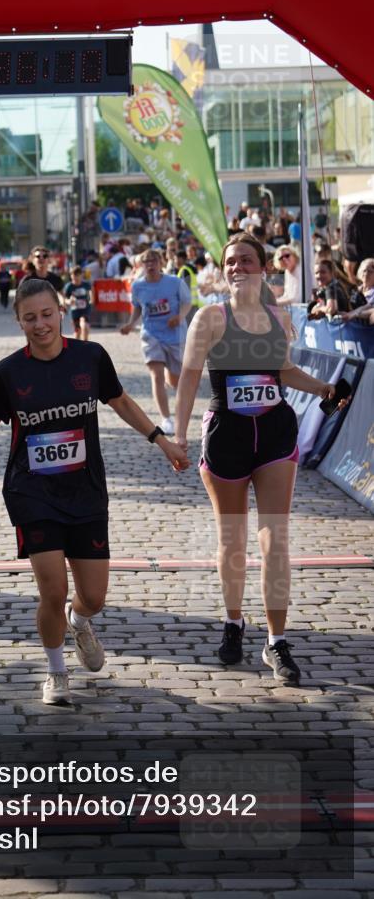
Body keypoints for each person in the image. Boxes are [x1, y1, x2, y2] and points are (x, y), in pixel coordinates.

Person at [0, 278, 188, 705]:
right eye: (30, 318)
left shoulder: (90, 357)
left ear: (60, 311)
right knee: (52, 589)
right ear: (19, 321)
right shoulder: (9, 373)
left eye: (47, 314)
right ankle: (56, 672)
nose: (40, 324)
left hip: (85, 491)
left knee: (94, 597)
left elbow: (120, 401)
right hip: (32, 492)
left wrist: (162, 440)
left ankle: (80, 621)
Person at [174, 234, 349, 688]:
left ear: (262, 267)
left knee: (275, 539)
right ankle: (233, 623)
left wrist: (324, 390)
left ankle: (276, 639)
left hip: (274, 433)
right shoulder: (209, 319)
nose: (237, 267)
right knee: (233, 542)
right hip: (227, 435)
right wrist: (176, 435)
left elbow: (283, 370)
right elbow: (190, 378)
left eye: (246, 260)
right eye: (230, 261)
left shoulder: (279, 317)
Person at [120, 249, 191, 435]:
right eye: (146, 262)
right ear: (141, 265)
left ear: (160, 263)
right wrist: (130, 324)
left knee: (175, 380)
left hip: (175, 336)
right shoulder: (137, 286)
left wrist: (179, 316)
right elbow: (137, 308)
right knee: (156, 375)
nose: (150, 265)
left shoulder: (175, 283)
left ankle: (171, 380)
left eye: (154, 261)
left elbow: (187, 303)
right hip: (151, 335)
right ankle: (166, 419)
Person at [342, 257, 374, 324]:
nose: (366, 273)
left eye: (370, 271)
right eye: (364, 270)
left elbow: (370, 307)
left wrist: (354, 314)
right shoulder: (354, 289)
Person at [64, 265, 91, 341]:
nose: (76, 277)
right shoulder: (69, 286)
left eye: (77, 275)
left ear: (81, 275)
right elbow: (65, 299)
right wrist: (69, 301)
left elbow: (91, 294)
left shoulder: (86, 285)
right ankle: (77, 349)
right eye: (73, 275)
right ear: (71, 276)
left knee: (85, 326)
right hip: (75, 312)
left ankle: (85, 345)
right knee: (77, 333)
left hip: (85, 310)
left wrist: (91, 301)